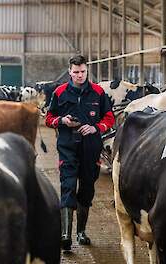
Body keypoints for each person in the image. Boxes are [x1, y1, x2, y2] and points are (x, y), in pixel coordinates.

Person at [45, 55, 115, 251]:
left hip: (91, 147)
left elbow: (109, 117)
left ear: (87, 70)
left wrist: (96, 128)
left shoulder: (98, 92)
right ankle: (65, 235)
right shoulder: (59, 92)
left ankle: (81, 232)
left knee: (86, 189)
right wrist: (62, 121)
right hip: (67, 146)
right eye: (75, 72)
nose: (79, 75)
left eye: (82, 71)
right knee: (67, 185)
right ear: (70, 72)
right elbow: (48, 118)